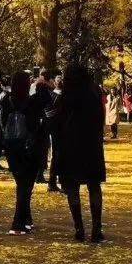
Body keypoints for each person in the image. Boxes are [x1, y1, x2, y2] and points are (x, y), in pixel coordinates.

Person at [52, 63, 106, 243]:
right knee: (94, 185)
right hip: (91, 144)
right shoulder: (94, 93)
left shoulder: (65, 96)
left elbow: (57, 123)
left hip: (70, 146)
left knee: (72, 187)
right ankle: (96, 229)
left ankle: (79, 228)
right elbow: (100, 118)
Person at [0, 70, 48, 235]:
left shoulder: (6, 100)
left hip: (12, 147)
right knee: (25, 186)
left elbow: (2, 122)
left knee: (22, 184)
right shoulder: (31, 102)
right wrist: (41, 84)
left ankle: (26, 219)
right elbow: (45, 102)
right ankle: (18, 223)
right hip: (29, 147)